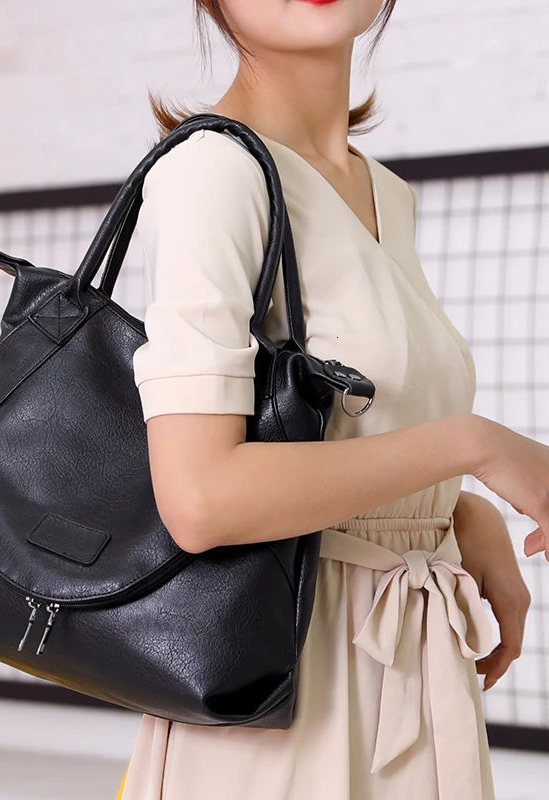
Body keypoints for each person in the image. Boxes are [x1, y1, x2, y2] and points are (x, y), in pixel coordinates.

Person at [120, 1, 544, 798]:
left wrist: (455, 513)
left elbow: (338, 435)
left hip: (410, 671)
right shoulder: (215, 171)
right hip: (284, 700)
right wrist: (473, 447)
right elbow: (201, 497)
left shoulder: (386, 193)